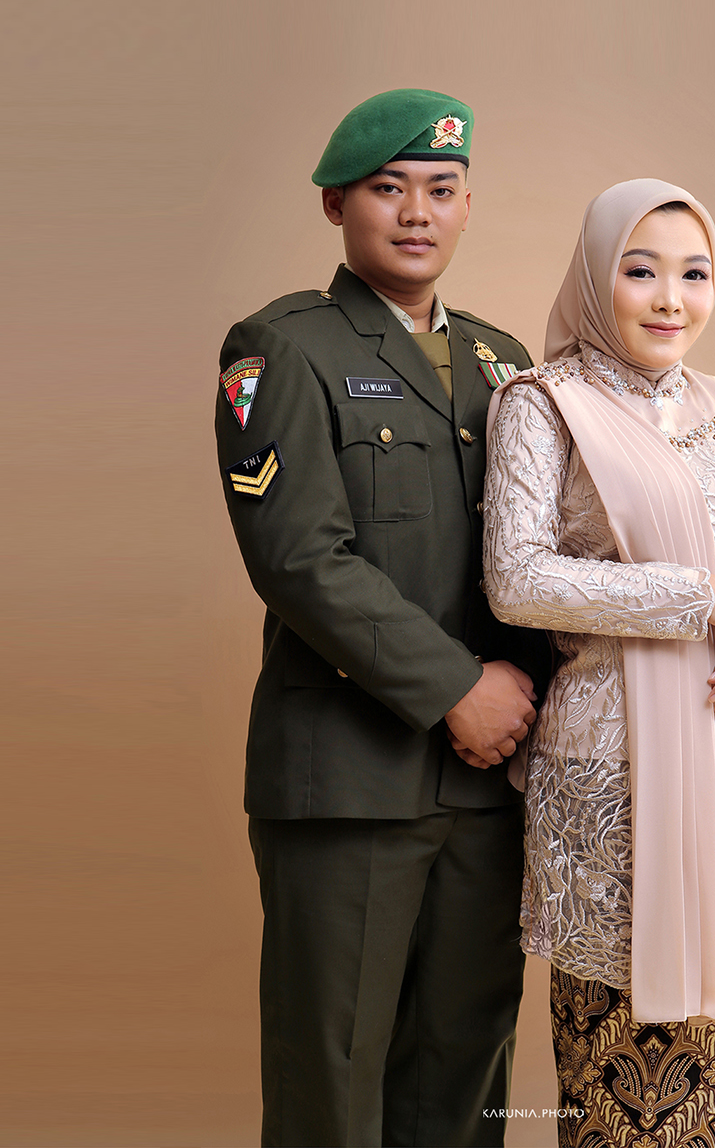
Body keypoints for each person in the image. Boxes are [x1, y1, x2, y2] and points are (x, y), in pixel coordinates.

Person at [215, 88, 550, 1148]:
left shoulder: (507, 365)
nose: (417, 212)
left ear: (466, 206)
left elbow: (539, 563)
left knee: (465, 1078)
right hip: (350, 783)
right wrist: (459, 689)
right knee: (335, 1085)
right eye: (387, 188)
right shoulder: (282, 346)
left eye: (440, 191)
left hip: (489, 790)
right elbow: (300, 558)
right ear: (335, 206)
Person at [480, 179, 715, 1147]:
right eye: (640, 272)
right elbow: (515, 580)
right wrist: (705, 597)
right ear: (598, 279)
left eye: (694, 274)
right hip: (619, 782)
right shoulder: (542, 405)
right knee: (622, 1090)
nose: (670, 299)